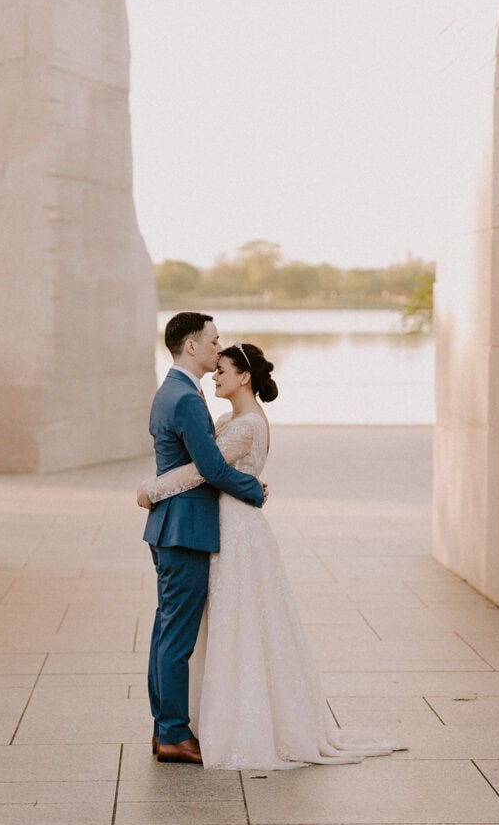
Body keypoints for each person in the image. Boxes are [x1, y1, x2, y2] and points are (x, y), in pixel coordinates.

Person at [138, 341, 403, 769]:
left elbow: (208, 470)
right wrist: (247, 486)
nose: (216, 375)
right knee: (222, 625)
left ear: (244, 376)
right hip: (220, 526)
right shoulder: (228, 418)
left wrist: (151, 490)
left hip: (237, 531)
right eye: (215, 366)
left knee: (239, 623)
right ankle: (187, 723)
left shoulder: (246, 426)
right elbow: (215, 469)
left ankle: (229, 721)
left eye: (223, 369)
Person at [142, 313, 265, 765]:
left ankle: (164, 727)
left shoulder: (173, 391)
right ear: (191, 347)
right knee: (177, 636)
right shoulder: (187, 399)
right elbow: (210, 468)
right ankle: (173, 732)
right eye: (214, 341)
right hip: (185, 528)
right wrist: (253, 490)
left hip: (170, 525)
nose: (219, 349)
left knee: (165, 631)